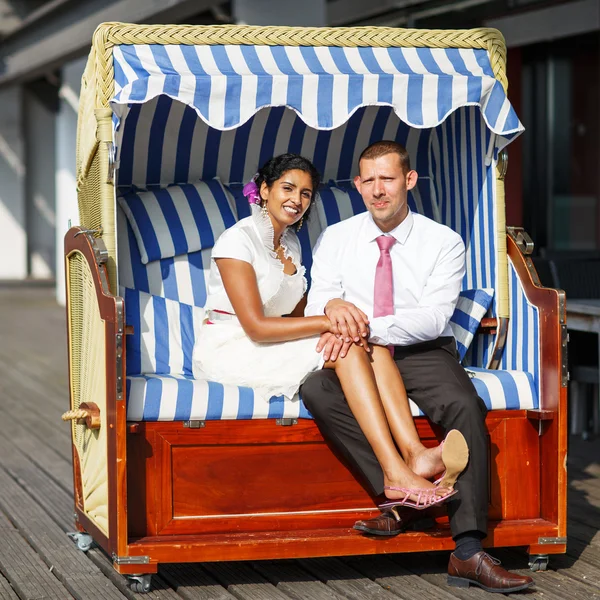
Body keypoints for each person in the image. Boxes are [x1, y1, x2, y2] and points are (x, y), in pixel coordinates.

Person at [301, 141, 534, 594]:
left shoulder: (443, 241)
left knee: (464, 403)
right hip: (357, 352)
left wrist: (365, 327)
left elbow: (432, 317)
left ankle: (467, 549)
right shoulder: (337, 236)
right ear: (357, 185)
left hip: (420, 348)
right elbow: (319, 300)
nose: (377, 190)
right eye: (367, 181)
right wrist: (332, 306)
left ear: (409, 180)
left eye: (387, 179)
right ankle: (401, 495)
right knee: (316, 390)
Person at [192, 153, 468, 509]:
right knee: (352, 341)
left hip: (269, 341)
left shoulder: (290, 244)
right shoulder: (236, 242)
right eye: (287, 188)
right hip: (234, 346)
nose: (297, 200)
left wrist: (334, 328)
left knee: (369, 343)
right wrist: (330, 320)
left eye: (306, 194)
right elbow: (257, 328)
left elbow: (292, 316)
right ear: (264, 189)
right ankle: (393, 472)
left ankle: (415, 453)